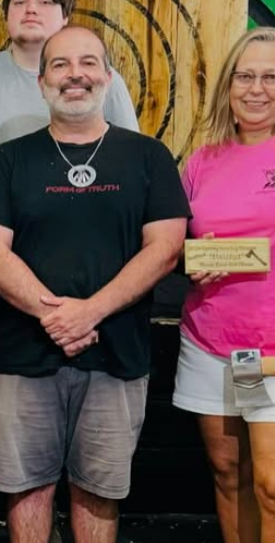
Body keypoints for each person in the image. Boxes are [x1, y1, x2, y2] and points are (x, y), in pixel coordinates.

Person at [0, 0, 139, 543]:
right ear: (5, 14)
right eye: (20, 0)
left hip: (90, 268)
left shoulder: (98, 80)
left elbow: (128, 156)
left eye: (45, 1)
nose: (30, 9)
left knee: (82, 396)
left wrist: (83, 308)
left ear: (65, 15)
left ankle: (73, 498)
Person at [0, 26, 189, 543]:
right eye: (61, 65)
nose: (76, 76)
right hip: (22, 356)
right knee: (27, 489)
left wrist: (89, 312)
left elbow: (165, 248)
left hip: (117, 355)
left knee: (99, 491)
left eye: (88, 63)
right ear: (43, 80)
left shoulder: (147, 157)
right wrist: (57, 315)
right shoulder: (10, 159)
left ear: (108, 78)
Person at [172, 27, 275, 543]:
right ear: (228, 85)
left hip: (271, 350)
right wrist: (193, 258)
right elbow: (175, 244)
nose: (257, 88)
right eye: (246, 75)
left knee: (271, 483)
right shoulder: (201, 160)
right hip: (211, 341)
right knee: (229, 473)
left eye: (271, 77)